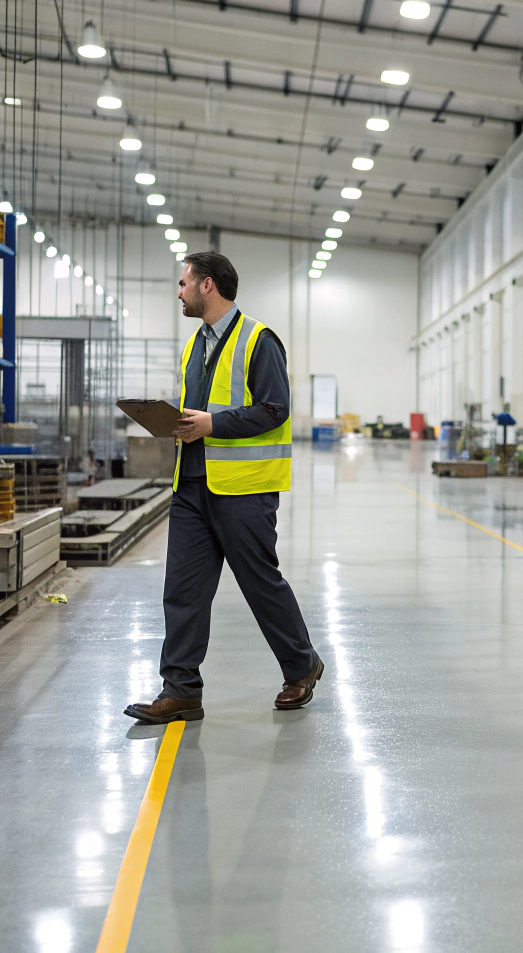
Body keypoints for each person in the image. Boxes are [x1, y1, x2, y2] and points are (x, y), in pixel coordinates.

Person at [125, 252, 322, 724]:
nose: (179, 292)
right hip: (192, 483)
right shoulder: (194, 345)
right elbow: (202, 412)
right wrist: (174, 420)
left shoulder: (260, 340)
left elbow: (276, 408)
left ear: (207, 285)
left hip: (244, 486)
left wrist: (213, 423)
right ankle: (181, 690)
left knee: (259, 582)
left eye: (183, 282)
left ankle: (301, 666)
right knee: (184, 590)